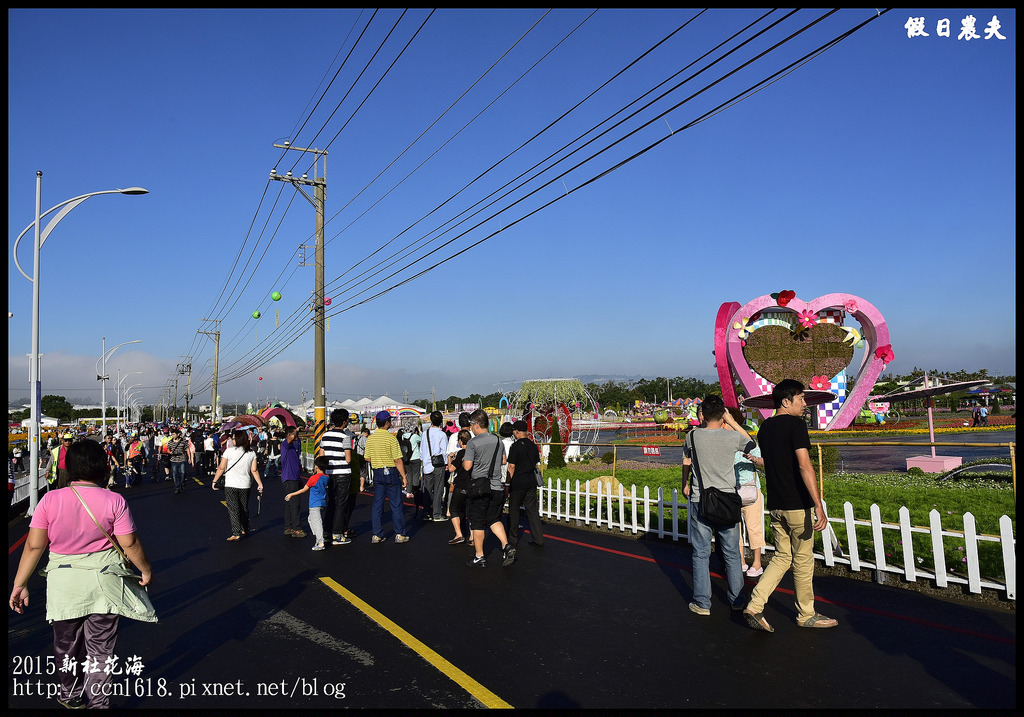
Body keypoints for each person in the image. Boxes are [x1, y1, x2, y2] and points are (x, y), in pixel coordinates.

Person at [9, 439, 156, 709]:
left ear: (68, 466)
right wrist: (145, 569)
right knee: (101, 649)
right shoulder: (115, 500)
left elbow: (34, 545)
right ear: (101, 465)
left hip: (65, 585)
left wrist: (20, 584)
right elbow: (130, 544)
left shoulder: (50, 499)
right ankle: (98, 702)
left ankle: (70, 694)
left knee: (66, 645)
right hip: (105, 583)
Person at [743, 379, 838, 632]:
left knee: (782, 556)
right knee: (803, 560)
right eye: (801, 399)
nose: (804, 404)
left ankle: (755, 603)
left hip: (776, 504)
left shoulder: (765, 428)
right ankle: (806, 614)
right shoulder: (796, 425)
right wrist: (818, 504)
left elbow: (773, 463)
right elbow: (804, 465)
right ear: (786, 401)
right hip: (797, 503)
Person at [681, 395, 754, 616]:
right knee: (732, 553)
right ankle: (737, 599)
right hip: (727, 501)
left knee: (701, 553)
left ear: (702, 413)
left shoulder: (692, 437)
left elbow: (686, 461)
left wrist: (684, 483)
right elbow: (752, 444)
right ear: (722, 412)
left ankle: (703, 603)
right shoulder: (732, 438)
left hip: (700, 500)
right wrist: (731, 422)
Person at [462, 409, 515, 568]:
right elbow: (504, 461)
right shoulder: (498, 441)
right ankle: (506, 545)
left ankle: (479, 556)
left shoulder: (473, 443)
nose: (471, 428)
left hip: (480, 488)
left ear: (477, 425)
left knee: (477, 522)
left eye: (471, 425)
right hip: (497, 486)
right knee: (493, 519)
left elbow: (467, 467)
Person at [726, 407, 764, 578]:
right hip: (731, 490)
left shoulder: (745, 440)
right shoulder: (723, 441)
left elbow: (756, 451)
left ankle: (757, 562)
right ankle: (741, 560)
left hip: (750, 489)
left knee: (753, 527)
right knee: (735, 529)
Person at [364, 411, 409, 544]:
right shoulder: (391, 438)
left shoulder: (371, 438)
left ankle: (377, 534)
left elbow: (367, 457)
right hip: (391, 472)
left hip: (377, 472)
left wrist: (378, 460)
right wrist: (404, 477)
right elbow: (398, 460)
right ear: (387, 422)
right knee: (396, 505)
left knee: (377, 505)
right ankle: (400, 534)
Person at [211, 429, 264, 541]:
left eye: (234, 438)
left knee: (233, 508)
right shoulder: (251, 453)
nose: (232, 440)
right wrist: (259, 483)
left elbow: (221, 468)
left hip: (231, 484)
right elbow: (254, 470)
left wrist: (214, 481)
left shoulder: (229, 452)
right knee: (244, 507)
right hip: (245, 484)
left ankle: (236, 532)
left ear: (239, 439)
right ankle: (245, 527)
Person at [506, 420, 545, 548]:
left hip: (518, 482)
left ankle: (512, 539)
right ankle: (538, 538)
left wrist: (507, 484)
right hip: (531, 481)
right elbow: (535, 464)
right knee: (532, 511)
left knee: (514, 510)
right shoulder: (533, 446)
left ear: (516, 431)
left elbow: (511, 466)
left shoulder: (515, 446)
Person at [322, 409, 356, 545]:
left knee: (331, 502)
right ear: (344, 422)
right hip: (343, 473)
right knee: (341, 504)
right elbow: (348, 459)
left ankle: (327, 531)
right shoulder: (345, 437)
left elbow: (321, 456)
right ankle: (337, 534)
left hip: (330, 473)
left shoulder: (325, 436)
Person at [285, 456, 331, 551]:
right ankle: (319, 536)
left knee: (316, 522)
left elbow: (303, 490)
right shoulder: (326, 477)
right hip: (322, 502)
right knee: (310, 519)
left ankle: (320, 541)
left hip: (314, 504)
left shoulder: (314, 478)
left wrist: (291, 494)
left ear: (316, 467)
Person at [420, 411, 450, 523]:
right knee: (438, 489)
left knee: (427, 490)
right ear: (441, 421)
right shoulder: (442, 435)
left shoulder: (425, 433)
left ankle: (426, 512)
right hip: (439, 465)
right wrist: (446, 463)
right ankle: (436, 514)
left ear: (431, 420)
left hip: (427, 464)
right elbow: (445, 451)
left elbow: (422, 450)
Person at [446, 429, 472, 545]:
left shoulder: (461, 453)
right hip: (472, 485)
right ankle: (472, 536)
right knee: (470, 512)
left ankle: (459, 534)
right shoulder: (474, 452)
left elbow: (451, 469)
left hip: (461, 484)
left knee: (453, 509)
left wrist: (450, 458)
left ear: (461, 441)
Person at [280, 426, 306, 538]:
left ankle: (288, 527)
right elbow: (290, 438)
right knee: (295, 503)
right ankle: (296, 528)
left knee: (290, 504)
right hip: (290, 478)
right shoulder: (285, 445)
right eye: (294, 435)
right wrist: (295, 431)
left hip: (294, 477)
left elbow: (296, 440)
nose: (297, 437)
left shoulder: (294, 446)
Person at [166, 428, 193, 494]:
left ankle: (182, 483)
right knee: (175, 474)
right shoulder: (170, 442)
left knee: (183, 472)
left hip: (182, 458)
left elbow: (187, 449)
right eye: (172, 434)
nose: (173, 436)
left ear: (178, 434)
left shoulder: (183, 441)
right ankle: (177, 487)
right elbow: (168, 449)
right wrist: (170, 452)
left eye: (174, 434)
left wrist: (189, 458)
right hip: (174, 459)